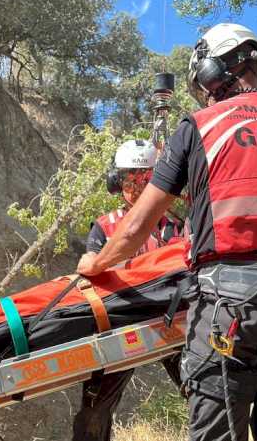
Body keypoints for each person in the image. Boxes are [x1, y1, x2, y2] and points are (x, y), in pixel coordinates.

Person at [77, 22, 257, 441]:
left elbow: (135, 227)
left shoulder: (200, 126)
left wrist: (97, 261)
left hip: (229, 311)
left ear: (214, 72)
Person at [73, 139, 185, 441]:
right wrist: (90, 261)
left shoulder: (176, 226)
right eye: (128, 180)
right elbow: (90, 261)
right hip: (122, 324)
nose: (134, 188)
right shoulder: (105, 226)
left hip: (173, 322)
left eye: (143, 180)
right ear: (117, 182)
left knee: (202, 392)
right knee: (94, 411)